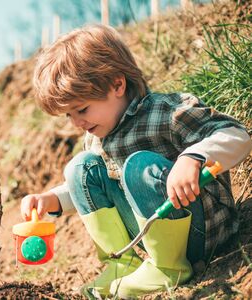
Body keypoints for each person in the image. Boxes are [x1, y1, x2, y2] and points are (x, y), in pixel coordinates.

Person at [20, 24, 252, 299]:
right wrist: (52, 200)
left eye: (82, 109)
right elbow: (95, 188)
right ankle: (122, 262)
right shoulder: (96, 136)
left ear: (118, 84)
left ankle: (170, 267)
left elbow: (237, 135)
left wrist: (192, 158)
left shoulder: (168, 112)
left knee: (139, 167)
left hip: (203, 232)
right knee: (80, 168)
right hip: (153, 236)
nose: (77, 123)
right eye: (68, 116)